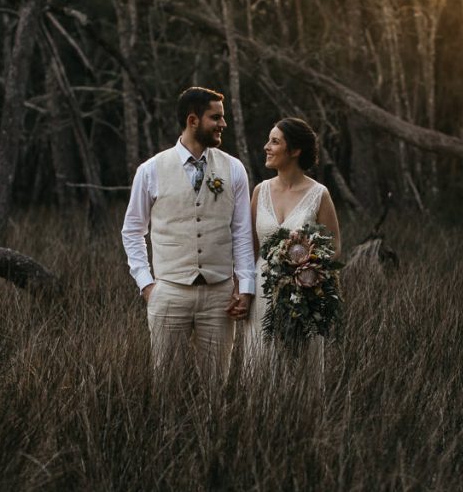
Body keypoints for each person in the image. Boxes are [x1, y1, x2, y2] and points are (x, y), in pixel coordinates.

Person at [121, 87, 256, 385]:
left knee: (215, 386)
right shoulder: (150, 171)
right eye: (216, 117)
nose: (223, 124)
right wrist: (147, 284)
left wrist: (245, 287)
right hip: (169, 292)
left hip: (220, 294)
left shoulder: (233, 169)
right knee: (167, 385)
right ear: (193, 120)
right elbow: (132, 230)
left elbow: (242, 233)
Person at [243, 117, 341, 379]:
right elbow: (250, 248)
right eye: (268, 140)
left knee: (299, 372)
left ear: (295, 150)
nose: (266, 147)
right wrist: (243, 292)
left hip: (303, 297)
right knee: (260, 370)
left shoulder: (319, 194)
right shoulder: (260, 191)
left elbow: (334, 248)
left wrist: (306, 271)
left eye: (275, 141)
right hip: (262, 296)